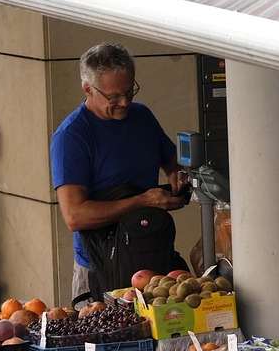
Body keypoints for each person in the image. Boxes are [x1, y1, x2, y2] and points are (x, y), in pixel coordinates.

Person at [51, 42, 188, 302]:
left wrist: (176, 174)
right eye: (113, 97)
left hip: (150, 255)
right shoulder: (72, 137)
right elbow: (75, 216)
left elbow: (172, 162)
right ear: (88, 89)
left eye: (130, 91)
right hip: (99, 265)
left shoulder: (142, 116)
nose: (124, 102)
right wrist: (142, 201)